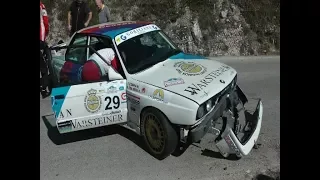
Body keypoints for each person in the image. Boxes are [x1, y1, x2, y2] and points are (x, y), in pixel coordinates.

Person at [40, 1, 50, 98]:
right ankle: (43, 89)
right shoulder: (41, 6)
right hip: (40, 39)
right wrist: (46, 33)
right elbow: (45, 22)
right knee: (43, 67)